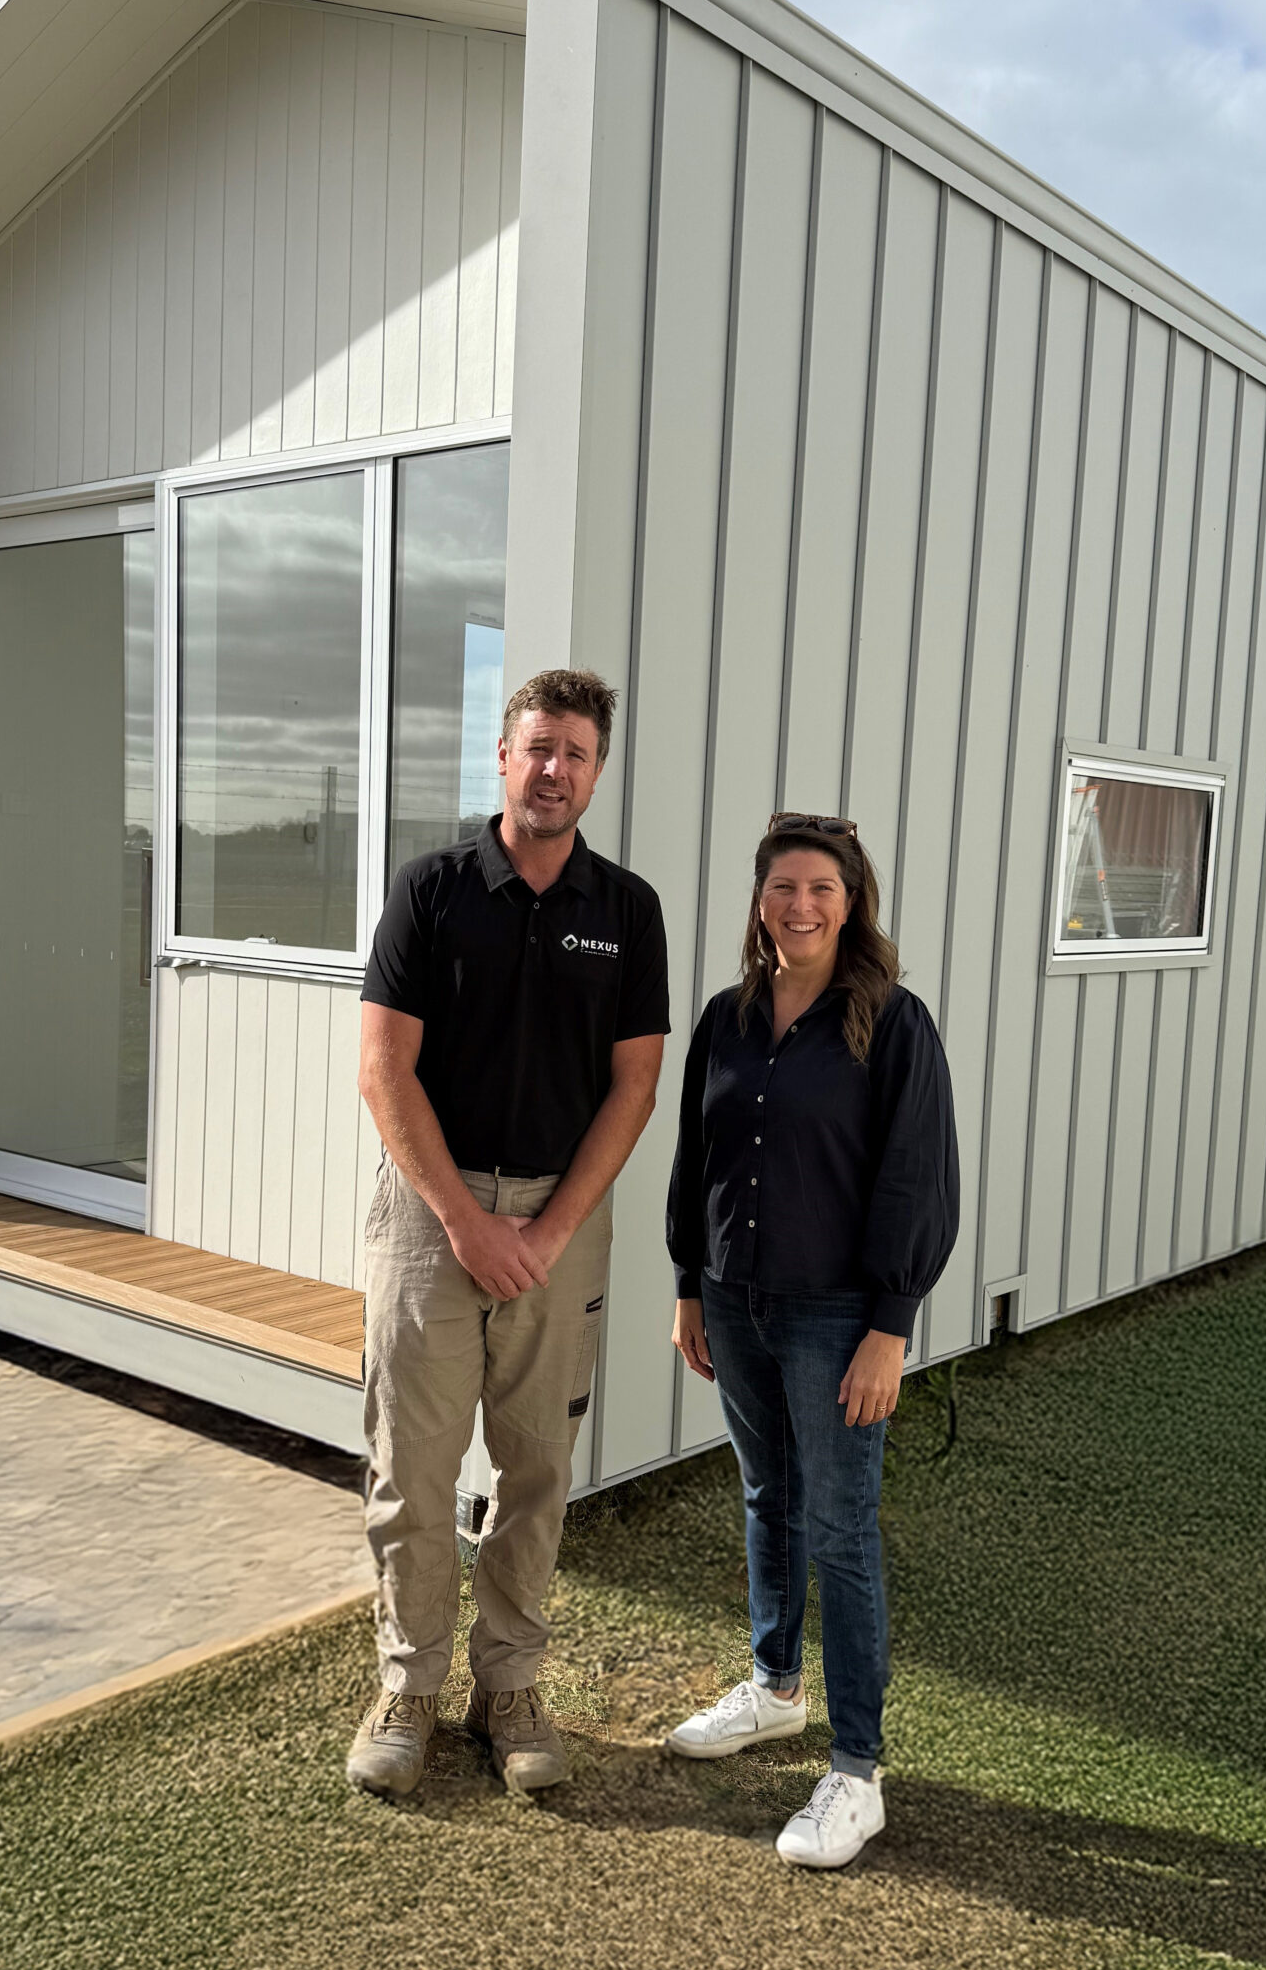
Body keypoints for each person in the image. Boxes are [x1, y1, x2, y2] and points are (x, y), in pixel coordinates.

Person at [350, 669, 668, 1796]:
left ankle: (510, 1688)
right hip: (430, 1215)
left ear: (596, 771)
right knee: (413, 1466)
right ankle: (409, 1687)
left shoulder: (626, 910)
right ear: (501, 753)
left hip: (562, 1222)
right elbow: (383, 1069)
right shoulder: (432, 889)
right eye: (539, 747)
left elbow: (634, 1086)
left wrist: (546, 1227)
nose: (555, 770)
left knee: (536, 1465)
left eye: (577, 754)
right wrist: (466, 1220)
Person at [664, 814, 958, 1867]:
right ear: (759, 901)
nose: (801, 905)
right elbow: (697, 1153)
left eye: (821, 888)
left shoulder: (892, 1023)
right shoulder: (726, 1019)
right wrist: (691, 1281)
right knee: (765, 1498)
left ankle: (857, 1771)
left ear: (852, 901)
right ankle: (775, 1687)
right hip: (735, 1301)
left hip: (838, 1315)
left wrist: (890, 1324)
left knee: (839, 1528)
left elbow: (916, 1177)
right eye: (783, 886)